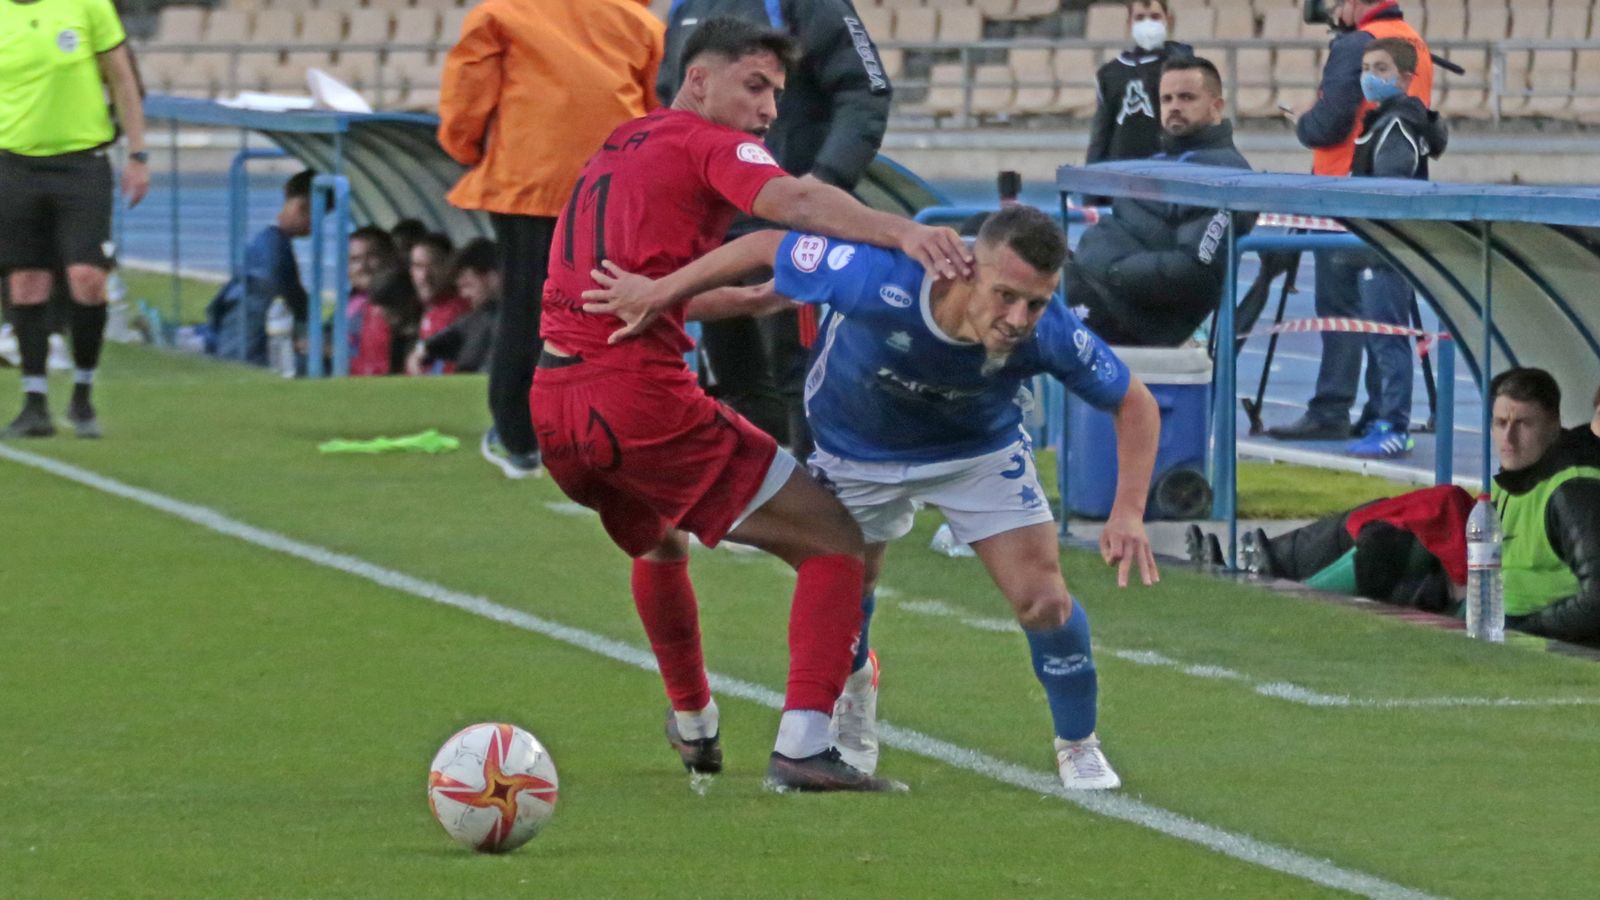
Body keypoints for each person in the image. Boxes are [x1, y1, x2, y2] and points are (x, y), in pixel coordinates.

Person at [532, 18, 971, 792]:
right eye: (755, 86)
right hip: (636, 400)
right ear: (698, 81)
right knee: (834, 539)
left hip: (557, 403)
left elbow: (620, 297)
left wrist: (745, 301)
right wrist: (899, 231)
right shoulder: (712, 143)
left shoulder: (623, 144)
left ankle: (695, 722)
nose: (770, 111)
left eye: (777, 93)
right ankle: (805, 746)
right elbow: (794, 200)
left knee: (659, 541)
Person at [587, 205, 1163, 789]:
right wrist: (661, 293)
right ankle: (855, 691)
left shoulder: (1050, 332)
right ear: (965, 269)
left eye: (1035, 302)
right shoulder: (875, 275)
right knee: (844, 591)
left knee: (1044, 601)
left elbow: (1132, 401)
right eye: (1006, 295)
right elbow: (765, 243)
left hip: (975, 452)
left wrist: (1128, 512)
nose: (1018, 318)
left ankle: (1078, 744)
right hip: (854, 448)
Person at [657, 0, 893, 458]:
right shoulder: (686, 6)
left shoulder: (806, 5)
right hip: (713, 226)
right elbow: (670, 98)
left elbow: (866, 89)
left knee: (802, 373)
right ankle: (763, 509)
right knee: (732, 378)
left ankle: (828, 506)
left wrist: (823, 182)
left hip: (790, 225)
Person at [439, 0, 663, 479]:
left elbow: (469, 91)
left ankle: (519, 439)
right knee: (610, 308)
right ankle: (613, 430)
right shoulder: (639, 21)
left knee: (526, 310)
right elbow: (658, 108)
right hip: (613, 185)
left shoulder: (500, 14)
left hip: (529, 184)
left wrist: (464, 146)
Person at [1216, 369, 1600, 645]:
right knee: (1385, 539)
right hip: (1484, 615)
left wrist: (1526, 628)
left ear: (1554, 426)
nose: (1508, 438)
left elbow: (1596, 599)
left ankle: (1282, 600)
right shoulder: (1517, 479)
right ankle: (1276, 582)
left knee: (1396, 543)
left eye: (1523, 425)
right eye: (1500, 423)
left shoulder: (1571, 490)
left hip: (1521, 632)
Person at [1269, 0, 1431, 441]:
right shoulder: (1412, 41)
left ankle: (1334, 407)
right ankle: (1380, 412)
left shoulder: (1359, 43)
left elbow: (1328, 125)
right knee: (1387, 318)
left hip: (1346, 191)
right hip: (1390, 200)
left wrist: (1303, 119)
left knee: (1344, 310)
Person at [0, 0, 149, 439]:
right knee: (26, 283)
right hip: (14, 167)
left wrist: (138, 154)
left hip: (82, 165)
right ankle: (34, 402)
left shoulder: (87, 5)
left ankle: (82, 393)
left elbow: (122, 79)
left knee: (87, 278)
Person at [1066, 57, 1254, 347]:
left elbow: (1194, 271)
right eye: (1166, 99)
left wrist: (1112, 271)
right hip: (1092, 284)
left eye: (1187, 97)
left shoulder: (1223, 176)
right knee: (995, 238)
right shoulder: (1160, 161)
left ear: (1216, 108)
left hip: (1128, 315)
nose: (1174, 106)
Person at [1342, 37, 1447, 459]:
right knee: (1378, 338)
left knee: (1388, 339)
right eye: (1367, 67)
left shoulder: (1399, 123)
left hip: (1387, 248)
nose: (1370, 76)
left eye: (1381, 68)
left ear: (1406, 78)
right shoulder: (1381, 120)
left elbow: (1392, 187)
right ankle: (1378, 414)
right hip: (1375, 246)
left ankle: (1394, 425)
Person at [205, 170, 315, 367]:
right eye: (317, 216)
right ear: (302, 207)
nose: (315, 226)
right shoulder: (273, 249)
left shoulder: (269, 242)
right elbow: (282, 293)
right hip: (251, 342)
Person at [1086, 1, 1193, 169]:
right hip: (1121, 174)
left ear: (1168, 20)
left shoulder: (1183, 68)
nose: (1148, 23)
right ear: (1129, 23)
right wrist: (1092, 185)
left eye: (1155, 17)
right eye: (1140, 18)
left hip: (1169, 173)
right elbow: (1101, 136)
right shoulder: (1109, 73)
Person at [407, 238, 500, 376]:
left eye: (468, 285)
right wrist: (419, 352)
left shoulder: (518, 320)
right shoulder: (477, 317)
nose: (464, 294)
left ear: (492, 277)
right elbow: (434, 343)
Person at [412, 232, 472, 371]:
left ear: (450, 267)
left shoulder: (460, 312)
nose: (424, 276)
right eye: (418, 266)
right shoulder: (430, 309)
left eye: (434, 265)